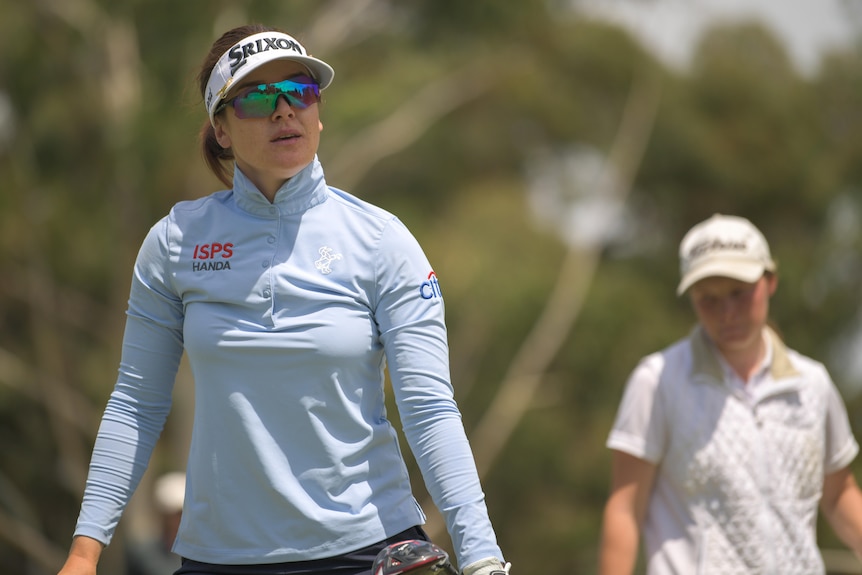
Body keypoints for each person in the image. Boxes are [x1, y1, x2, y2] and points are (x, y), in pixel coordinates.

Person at [57, 23, 509, 575]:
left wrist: (483, 556)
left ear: (318, 111)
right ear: (220, 129)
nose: (283, 110)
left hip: (371, 552)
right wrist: (84, 552)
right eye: (256, 98)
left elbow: (429, 407)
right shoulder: (175, 242)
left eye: (299, 91)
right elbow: (135, 403)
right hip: (218, 557)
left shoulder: (382, 239)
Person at [598, 213, 862, 574]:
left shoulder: (811, 383)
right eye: (709, 299)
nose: (727, 313)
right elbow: (625, 508)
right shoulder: (656, 380)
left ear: (770, 282)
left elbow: (838, 494)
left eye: (739, 293)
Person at [125, 472, 185, 575]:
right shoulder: (143, 555)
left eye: (182, 514)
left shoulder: (205, 555)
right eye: (175, 514)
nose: (179, 520)